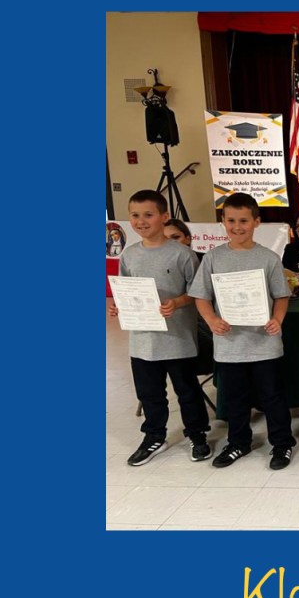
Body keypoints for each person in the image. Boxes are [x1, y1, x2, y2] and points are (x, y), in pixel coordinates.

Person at [189, 192, 297, 470]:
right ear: (223, 222)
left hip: (265, 344)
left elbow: (281, 296)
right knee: (234, 398)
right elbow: (201, 296)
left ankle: (282, 444)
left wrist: (277, 319)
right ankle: (238, 442)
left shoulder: (268, 258)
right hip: (229, 345)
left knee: (273, 397)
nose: (237, 227)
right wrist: (212, 320)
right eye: (231, 221)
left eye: (244, 221)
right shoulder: (213, 258)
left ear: (256, 222)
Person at [108, 189, 210, 465]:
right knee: (150, 394)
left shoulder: (182, 255)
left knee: (187, 391)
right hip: (142, 341)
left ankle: (197, 435)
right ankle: (154, 436)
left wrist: (176, 302)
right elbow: (125, 290)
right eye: (135, 215)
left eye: (148, 215)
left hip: (178, 339)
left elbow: (197, 293)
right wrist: (119, 306)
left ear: (164, 217)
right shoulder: (129, 255)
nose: (141, 221)